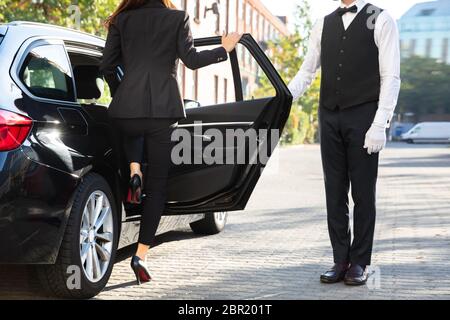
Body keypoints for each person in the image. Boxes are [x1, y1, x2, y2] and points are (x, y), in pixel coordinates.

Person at [100, 0, 242, 285]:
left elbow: (106, 65)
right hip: (163, 113)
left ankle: (134, 169)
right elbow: (191, 60)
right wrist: (224, 49)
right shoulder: (178, 18)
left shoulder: (121, 20)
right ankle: (141, 255)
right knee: (159, 188)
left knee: (132, 129)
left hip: (127, 110)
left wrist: (123, 92)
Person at [288, 0, 400, 285]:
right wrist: (284, 97)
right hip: (329, 116)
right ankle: (340, 259)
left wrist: (380, 123)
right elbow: (307, 70)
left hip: (364, 115)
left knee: (363, 194)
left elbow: (391, 77)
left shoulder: (382, 19)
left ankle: (360, 262)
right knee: (334, 192)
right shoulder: (323, 23)